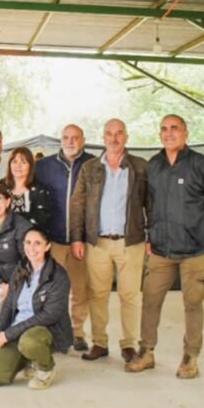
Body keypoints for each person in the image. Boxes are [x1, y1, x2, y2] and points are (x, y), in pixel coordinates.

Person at [126, 114, 204, 379]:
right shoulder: (155, 165)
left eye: (174, 128)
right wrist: (153, 234)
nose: (169, 133)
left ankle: (190, 356)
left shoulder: (202, 165)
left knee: (193, 304)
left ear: (186, 133)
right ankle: (146, 352)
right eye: (164, 129)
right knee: (150, 301)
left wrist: (198, 224)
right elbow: (149, 203)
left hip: (195, 250)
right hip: (161, 248)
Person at [69, 119, 149, 364]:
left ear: (126, 137)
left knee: (130, 295)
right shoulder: (90, 168)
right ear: (103, 138)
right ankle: (100, 343)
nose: (114, 138)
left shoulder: (140, 167)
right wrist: (77, 238)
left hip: (131, 242)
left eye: (119, 134)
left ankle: (128, 345)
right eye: (109, 134)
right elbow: (78, 205)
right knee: (98, 294)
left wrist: (152, 236)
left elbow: (152, 204)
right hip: (98, 243)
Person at [0, 227, 71, 390]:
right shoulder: (20, 269)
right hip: (18, 329)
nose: (31, 248)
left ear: (47, 246)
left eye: (37, 243)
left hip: (44, 330)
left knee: (29, 342)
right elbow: (9, 303)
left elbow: (48, 316)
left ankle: (46, 368)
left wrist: (9, 333)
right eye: (28, 242)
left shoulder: (58, 276)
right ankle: (27, 359)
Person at [35, 124, 95, 352]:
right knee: (52, 291)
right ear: (60, 140)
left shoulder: (93, 165)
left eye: (75, 138)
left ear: (84, 140)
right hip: (54, 240)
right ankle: (52, 333)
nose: (70, 142)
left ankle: (78, 332)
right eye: (66, 137)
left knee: (80, 290)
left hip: (81, 241)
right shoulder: (43, 166)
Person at [2, 147, 51, 229]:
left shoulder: (40, 190)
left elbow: (41, 220)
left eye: (23, 162)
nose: (18, 166)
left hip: (30, 238)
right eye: (14, 162)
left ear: (30, 166)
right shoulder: (1, 186)